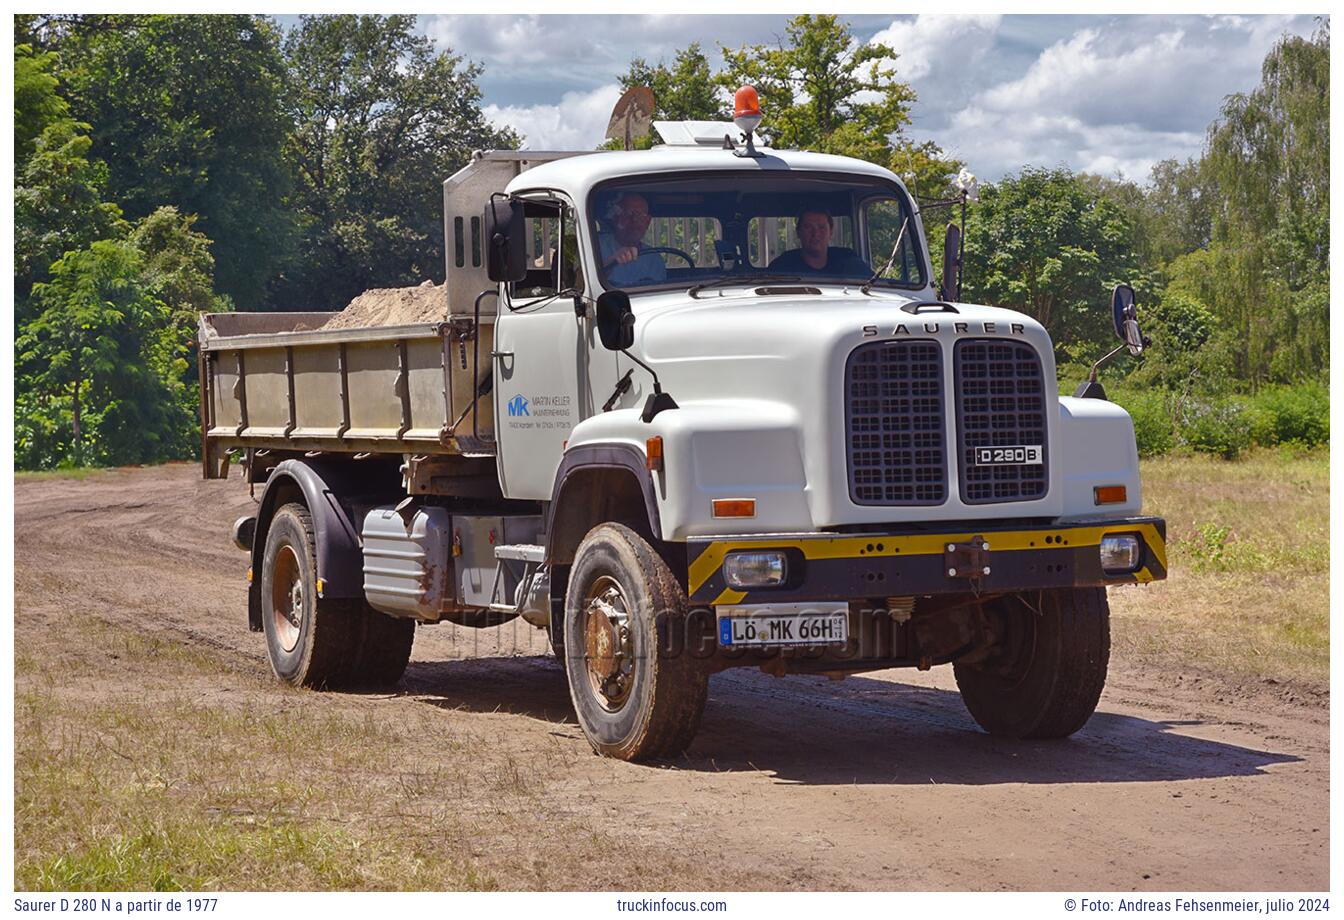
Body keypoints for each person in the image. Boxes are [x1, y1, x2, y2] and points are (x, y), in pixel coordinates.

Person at [768, 209, 869, 277]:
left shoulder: (849, 263)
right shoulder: (782, 268)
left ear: (831, 232)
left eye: (821, 228)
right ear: (798, 232)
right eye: (808, 227)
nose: (815, 234)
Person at [598, 192, 666, 287]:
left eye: (640, 216)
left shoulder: (654, 259)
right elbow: (579, 283)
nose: (634, 220)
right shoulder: (595, 246)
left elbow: (660, 294)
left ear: (647, 222)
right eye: (628, 214)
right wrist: (610, 262)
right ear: (616, 218)